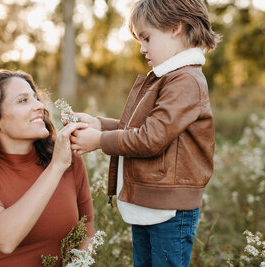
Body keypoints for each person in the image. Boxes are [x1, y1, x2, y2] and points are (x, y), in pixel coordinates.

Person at [69, 0, 220, 266]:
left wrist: (99, 141)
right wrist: (99, 125)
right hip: (151, 205)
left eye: (147, 38)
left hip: (170, 211)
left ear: (176, 27)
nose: (142, 47)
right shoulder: (167, 77)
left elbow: (151, 138)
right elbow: (143, 129)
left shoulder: (185, 80)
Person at [0, 69, 94, 267]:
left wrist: (79, 264)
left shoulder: (69, 158)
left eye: (36, 98)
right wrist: (55, 168)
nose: (39, 106)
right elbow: (4, 238)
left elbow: (87, 228)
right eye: (23, 100)